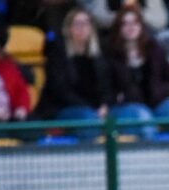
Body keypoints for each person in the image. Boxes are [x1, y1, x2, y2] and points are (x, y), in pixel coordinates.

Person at [106, 5, 169, 140]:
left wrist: (158, 92)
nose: (131, 27)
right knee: (143, 118)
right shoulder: (110, 53)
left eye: (135, 23)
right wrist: (119, 97)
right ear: (119, 27)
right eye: (125, 24)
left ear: (141, 25)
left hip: (155, 103)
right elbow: (104, 87)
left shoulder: (155, 49)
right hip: (125, 107)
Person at [33, 7, 112, 138]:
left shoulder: (99, 56)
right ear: (68, 28)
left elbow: (107, 87)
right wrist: (91, 109)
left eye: (86, 23)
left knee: (126, 115)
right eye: (77, 24)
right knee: (87, 118)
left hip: (94, 110)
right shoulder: (57, 53)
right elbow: (60, 91)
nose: (82, 28)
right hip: (61, 109)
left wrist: (104, 106)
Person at [0, 21, 31, 129]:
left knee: (33, 128)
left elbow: (21, 89)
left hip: (10, 115)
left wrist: (21, 108)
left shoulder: (3, 61)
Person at [80, 0, 168, 32]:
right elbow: (97, 18)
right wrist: (122, 16)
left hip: (142, 39)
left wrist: (136, 15)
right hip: (111, 37)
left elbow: (160, 21)